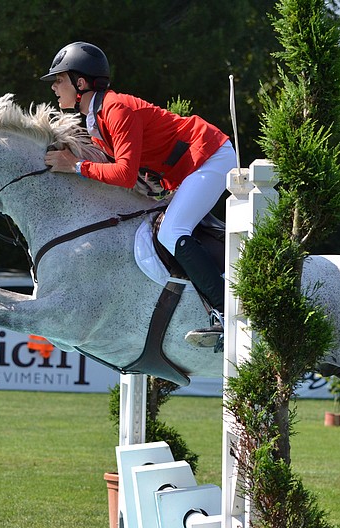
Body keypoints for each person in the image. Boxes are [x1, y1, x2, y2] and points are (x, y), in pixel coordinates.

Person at [42, 41, 235, 349]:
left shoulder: (115, 109)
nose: (53, 86)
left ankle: (228, 315)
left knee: (172, 231)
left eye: (59, 79)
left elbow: (124, 174)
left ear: (81, 83)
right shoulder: (97, 119)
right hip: (190, 166)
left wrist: (75, 165)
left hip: (211, 155)